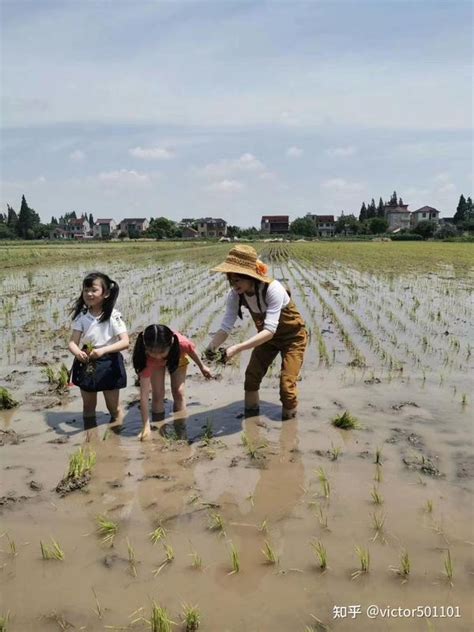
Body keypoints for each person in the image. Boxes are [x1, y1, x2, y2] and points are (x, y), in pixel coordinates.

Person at [206, 245, 307, 420]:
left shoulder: (273, 289)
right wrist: (211, 347)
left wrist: (237, 348)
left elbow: (269, 330)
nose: (233, 284)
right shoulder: (235, 295)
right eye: (230, 279)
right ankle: (251, 419)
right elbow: (225, 327)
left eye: (237, 279)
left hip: (292, 338)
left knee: (286, 385)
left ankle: (289, 430)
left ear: (250, 276)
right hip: (267, 339)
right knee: (251, 377)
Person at [69, 272, 129, 426]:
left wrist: (103, 350)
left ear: (106, 293)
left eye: (94, 290)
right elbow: (72, 343)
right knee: (88, 408)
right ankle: (90, 438)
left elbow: (125, 342)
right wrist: (77, 353)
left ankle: (117, 437)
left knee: (113, 408)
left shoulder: (113, 316)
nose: (89, 294)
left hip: (109, 363)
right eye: (85, 290)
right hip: (87, 361)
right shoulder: (82, 316)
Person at [132, 324, 213, 440]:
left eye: (161, 352)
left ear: (170, 344)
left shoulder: (181, 343)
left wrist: (202, 367)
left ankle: (180, 426)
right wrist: (145, 426)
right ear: (146, 347)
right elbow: (144, 395)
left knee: (179, 392)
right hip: (155, 365)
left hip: (176, 358)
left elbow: (191, 351)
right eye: (153, 352)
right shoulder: (147, 357)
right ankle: (158, 424)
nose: (158, 356)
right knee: (158, 395)